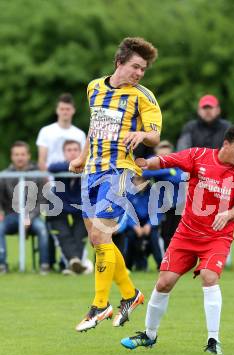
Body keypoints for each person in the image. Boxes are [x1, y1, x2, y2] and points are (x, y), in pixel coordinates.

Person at [120, 124, 234, 355]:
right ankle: (149, 335)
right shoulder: (198, 155)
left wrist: (229, 213)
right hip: (186, 234)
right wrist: (143, 164)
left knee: (209, 276)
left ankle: (213, 341)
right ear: (226, 144)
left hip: (217, 236)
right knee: (163, 283)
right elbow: (165, 161)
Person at [69, 37, 162, 332]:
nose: (139, 73)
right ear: (119, 62)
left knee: (100, 236)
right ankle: (130, 294)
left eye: (143, 69)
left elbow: (155, 135)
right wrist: (83, 157)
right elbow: (94, 127)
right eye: (135, 66)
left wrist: (141, 135)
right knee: (100, 241)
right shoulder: (94, 87)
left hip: (120, 170)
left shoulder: (143, 96)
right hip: (92, 171)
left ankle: (100, 305)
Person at [0, 141, 50, 274]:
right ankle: (2, 265)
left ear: (28, 156)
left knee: (42, 229)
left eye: (22, 154)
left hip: (33, 215)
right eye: (16, 154)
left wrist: (30, 217)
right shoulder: (4, 175)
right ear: (11, 156)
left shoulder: (38, 175)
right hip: (11, 216)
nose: (19, 157)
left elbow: (42, 200)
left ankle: (44, 265)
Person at [48, 140, 88, 275]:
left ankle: (72, 263)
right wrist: (73, 165)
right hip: (59, 208)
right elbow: (51, 167)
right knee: (63, 234)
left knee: (79, 235)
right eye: (69, 150)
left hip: (80, 208)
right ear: (64, 153)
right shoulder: (59, 166)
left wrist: (82, 164)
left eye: (76, 149)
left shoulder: (88, 166)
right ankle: (75, 262)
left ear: (81, 151)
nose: (72, 152)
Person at [142, 140, 186, 250]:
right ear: (156, 153)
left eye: (167, 155)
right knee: (164, 234)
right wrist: (169, 171)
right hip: (161, 205)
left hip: (177, 205)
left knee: (176, 235)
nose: (164, 158)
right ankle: (166, 261)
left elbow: (181, 178)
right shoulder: (152, 161)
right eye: (161, 156)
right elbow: (145, 173)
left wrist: (160, 172)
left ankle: (174, 261)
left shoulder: (178, 162)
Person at [36, 93, 86, 171]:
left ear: (73, 110)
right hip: (52, 177)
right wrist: (47, 180)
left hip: (74, 178)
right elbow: (42, 160)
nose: (65, 112)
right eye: (62, 109)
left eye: (68, 109)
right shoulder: (45, 131)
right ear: (57, 110)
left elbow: (83, 159)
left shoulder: (80, 134)